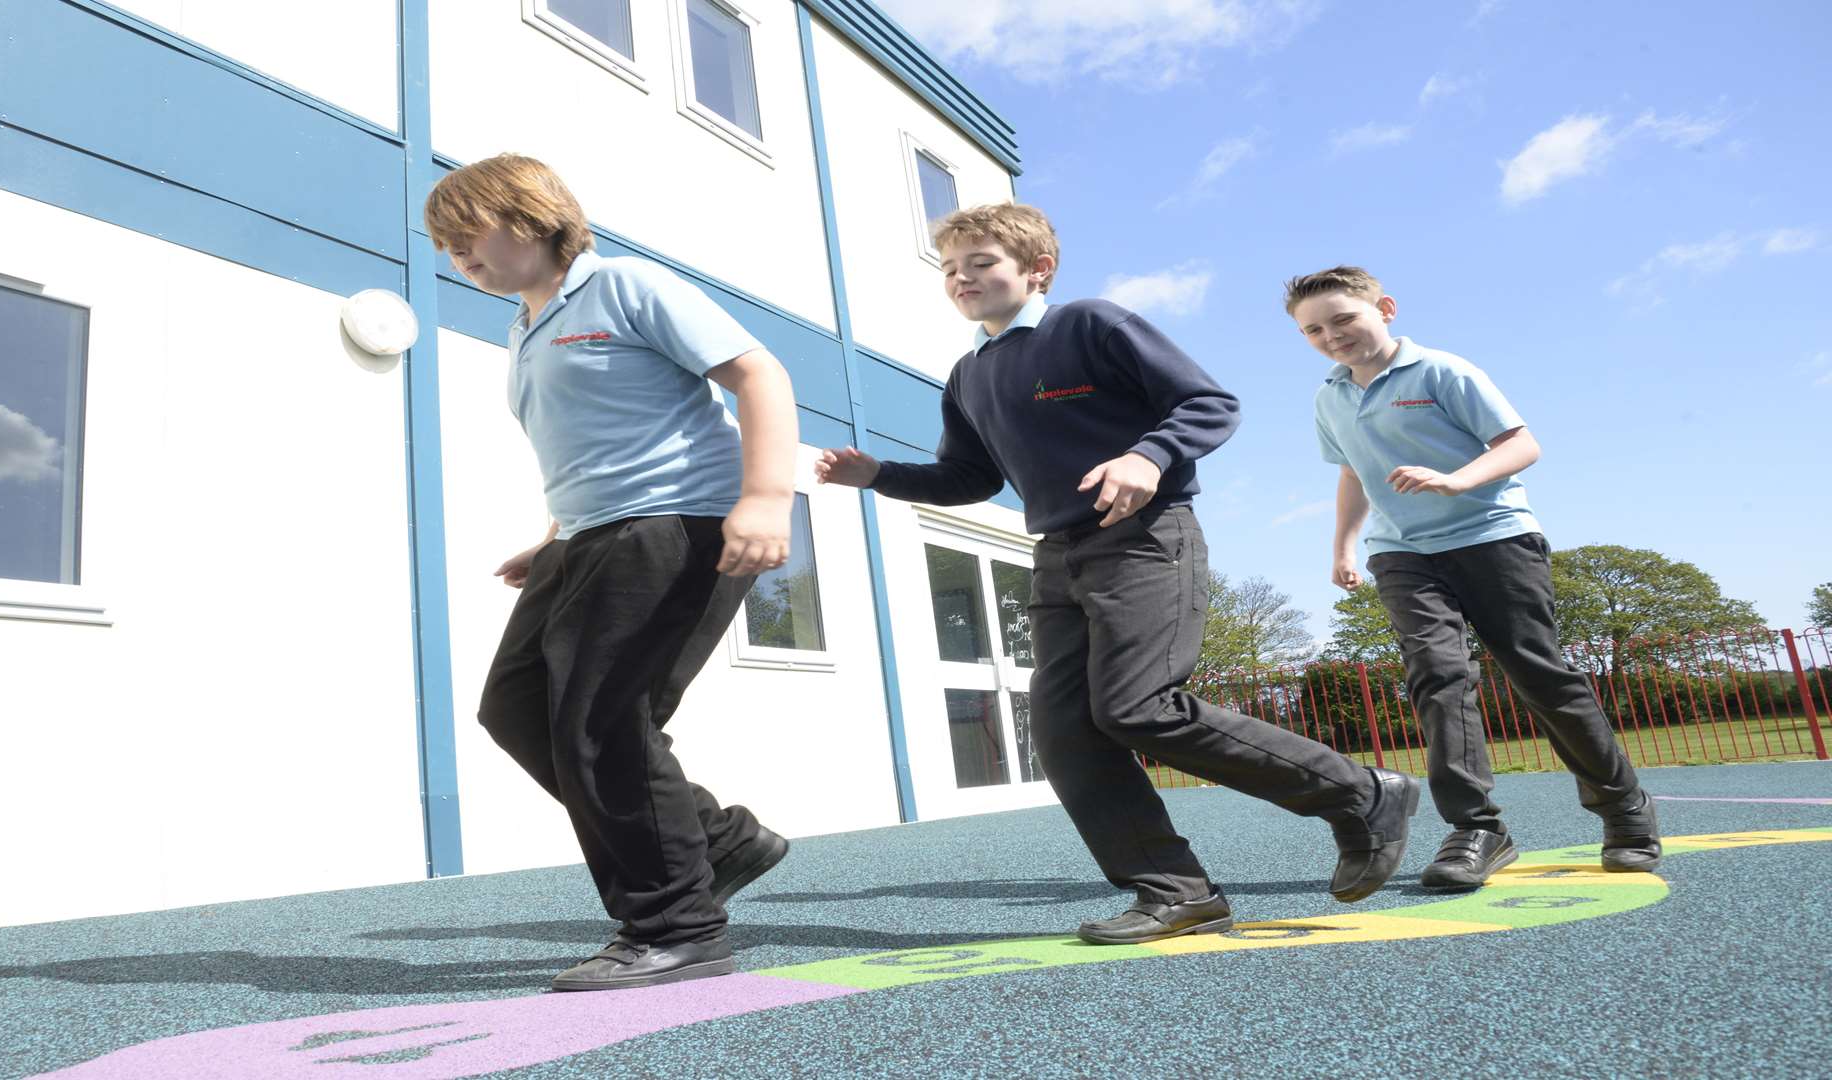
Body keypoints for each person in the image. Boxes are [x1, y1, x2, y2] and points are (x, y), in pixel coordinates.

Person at [817, 204, 1419, 945]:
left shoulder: (1091, 325)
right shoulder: (969, 374)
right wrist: (877, 474)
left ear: (1036, 270)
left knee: (1138, 707)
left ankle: (1360, 794)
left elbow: (1209, 403)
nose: (962, 279)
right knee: (1066, 732)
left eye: (981, 264)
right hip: (1058, 557)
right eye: (949, 269)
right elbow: (967, 477)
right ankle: (1174, 890)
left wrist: (1147, 455)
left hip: (1144, 538)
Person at [424, 154, 796, 989]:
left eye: (468, 232)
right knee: (517, 709)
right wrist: (552, 535)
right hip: (587, 537)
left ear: (531, 216)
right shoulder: (526, 326)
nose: (458, 255)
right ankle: (719, 841)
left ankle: (678, 927)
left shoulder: (625, 285)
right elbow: (594, 439)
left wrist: (769, 498)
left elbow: (756, 373)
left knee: (603, 721)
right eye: (445, 245)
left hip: (677, 522)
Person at [1286, 265, 1660, 890]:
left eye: (1344, 318)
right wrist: (1344, 546)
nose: (1331, 334)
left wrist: (1457, 479)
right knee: (1438, 675)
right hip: (1401, 552)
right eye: (1313, 329)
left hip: (1492, 537)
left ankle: (1625, 812)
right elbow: (1352, 472)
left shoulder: (1443, 371)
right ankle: (1478, 829)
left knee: (1538, 673)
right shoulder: (1331, 396)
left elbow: (1520, 444)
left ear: (1386, 307)